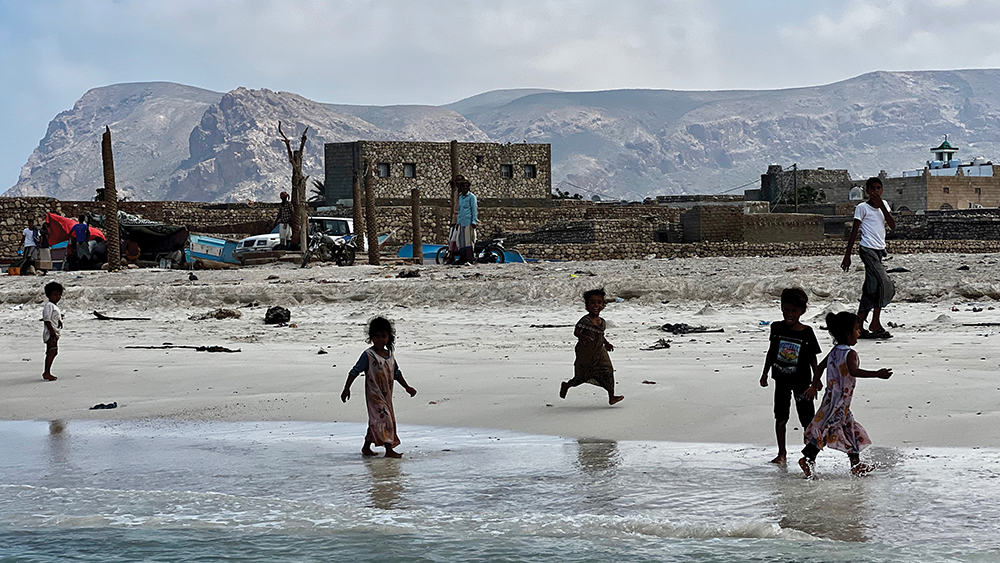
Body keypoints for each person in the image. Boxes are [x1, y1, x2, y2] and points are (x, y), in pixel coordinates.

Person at [799, 312, 893, 478]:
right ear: (848, 334)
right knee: (829, 428)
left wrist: (814, 386)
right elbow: (854, 371)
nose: (859, 332)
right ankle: (807, 458)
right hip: (840, 401)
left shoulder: (835, 351)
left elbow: (820, 367)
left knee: (847, 428)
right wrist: (877, 374)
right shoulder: (850, 353)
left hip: (832, 399)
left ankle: (855, 464)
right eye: (857, 329)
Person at [759, 288, 822, 464]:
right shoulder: (776, 327)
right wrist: (764, 373)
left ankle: (810, 456)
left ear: (803, 311)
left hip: (802, 382)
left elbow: (813, 359)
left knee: (807, 421)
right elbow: (771, 352)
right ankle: (782, 453)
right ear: (781, 307)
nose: (789, 314)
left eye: (794, 310)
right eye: (786, 309)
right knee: (780, 418)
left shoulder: (807, 332)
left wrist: (816, 383)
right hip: (781, 381)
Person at [341, 316, 417, 458]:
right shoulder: (368, 355)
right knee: (384, 418)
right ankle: (389, 449)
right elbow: (354, 371)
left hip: (386, 394)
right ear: (371, 337)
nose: (380, 339)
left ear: (389, 337)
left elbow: (396, 373)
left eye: (383, 336)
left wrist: (407, 387)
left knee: (376, 420)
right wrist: (346, 388)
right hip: (374, 395)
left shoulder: (390, 356)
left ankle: (366, 447)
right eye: (376, 336)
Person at [842, 177, 896, 339]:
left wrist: (882, 207)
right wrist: (847, 256)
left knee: (870, 288)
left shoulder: (884, 205)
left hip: (880, 251)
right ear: (867, 190)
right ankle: (875, 323)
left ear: (882, 190)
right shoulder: (862, 208)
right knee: (883, 284)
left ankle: (858, 325)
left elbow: (892, 225)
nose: (875, 191)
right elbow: (854, 232)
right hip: (867, 250)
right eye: (872, 188)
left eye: (878, 188)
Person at [560, 288, 624, 405]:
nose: (596, 305)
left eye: (599, 302)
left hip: (600, 351)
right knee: (582, 376)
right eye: (592, 302)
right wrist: (583, 337)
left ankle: (612, 396)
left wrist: (607, 343)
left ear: (603, 305)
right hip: (586, 351)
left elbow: (600, 335)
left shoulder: (602, 321)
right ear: (587, 305)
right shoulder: (585, 320)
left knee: (608, 370)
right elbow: (576, 332)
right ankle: (567, 385)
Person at [41, 281, 64, 382]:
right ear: (49, 295)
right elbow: (47, 320)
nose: (58, 296)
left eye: (59, 294)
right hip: (51, 333)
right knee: (52, 351)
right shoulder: (49, 306)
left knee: (52, 351)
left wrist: (59, 321)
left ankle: (47, 372)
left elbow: (54, 317)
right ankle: (47, 372)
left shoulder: (54, 306)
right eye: (55, 294)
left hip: (54, 332)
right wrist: (51, 331)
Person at [452, 176, 477, 263]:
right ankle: (462, 258)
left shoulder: (472, 197)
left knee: (468, 241)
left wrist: (474, 221)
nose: (465, 188)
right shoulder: (460, 197)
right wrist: (457, 222)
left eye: (466, 186)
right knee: (460, 241)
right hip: (461, 222)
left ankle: (469, 259)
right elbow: (459, 210)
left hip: (468, 221)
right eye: (463, 186)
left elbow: (474, 210)